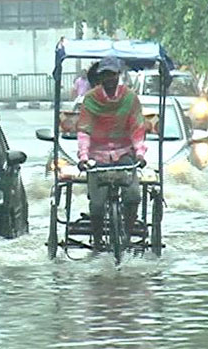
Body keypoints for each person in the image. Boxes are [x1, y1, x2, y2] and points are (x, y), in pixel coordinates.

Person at [76, 56, 147, 252]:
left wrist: (140, 154)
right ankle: (98, 242)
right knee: (97, 204)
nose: (109, 80)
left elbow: (137, 128)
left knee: (133, 196)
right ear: (100, 77)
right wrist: (83, 157)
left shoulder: (130, 98)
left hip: (124, 154)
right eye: (105, 75)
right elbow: (84, 130)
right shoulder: (90, 99)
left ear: (118, 76)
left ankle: (126, 235)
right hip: (96, 157)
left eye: (113, 75)